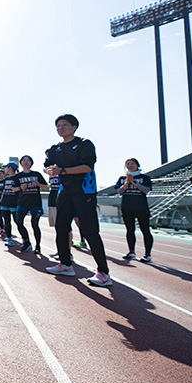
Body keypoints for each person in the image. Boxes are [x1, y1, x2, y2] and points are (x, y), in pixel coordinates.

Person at [44, 114, 112, 287]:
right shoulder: (55, 148)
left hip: (84, 191)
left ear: (74, 127)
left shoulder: (84, 144)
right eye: (58, 126)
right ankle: (66, 264)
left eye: (65, 125)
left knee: (89, 231)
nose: (61, 128)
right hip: (65, 192)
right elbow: (48, 165)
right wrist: (49, 170)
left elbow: (87, 166)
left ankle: (103, 273)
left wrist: (62, 171)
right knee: (61, 227)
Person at [114, 158, 153, 263]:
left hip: (141, 208)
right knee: (130, 230)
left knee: (145, 230)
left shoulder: (145, 177)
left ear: (137, 165)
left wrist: (134, 182)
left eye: (133, 163)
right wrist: (127, 183)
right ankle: (131, 252)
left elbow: (146, 190)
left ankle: (147, 254)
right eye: (128, 164)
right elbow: (120, 191)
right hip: (127, 208)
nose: (130, 165)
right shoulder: (122, 178)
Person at [12, 155, 48, 253]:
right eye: (24, 160)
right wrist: (20, 188)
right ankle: (27, 241)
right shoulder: (18, 176)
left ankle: (38, 246)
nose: (26, 162)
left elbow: (46, 187)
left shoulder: (36, 174)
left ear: (31, 163)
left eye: (28, 160)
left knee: (35, 224)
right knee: (18, 222)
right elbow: (13, 189)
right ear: (21, 163)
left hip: (35, 203)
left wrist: (38, 184)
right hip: (22, 202)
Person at [0, 162, 19, 246]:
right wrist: (0, 201)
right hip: (5, 203)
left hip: (14, 203)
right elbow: (3, 191)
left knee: (17, 221)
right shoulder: (6, 179)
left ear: (10, 168)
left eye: (6, 167)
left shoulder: (17, 178)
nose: (5, 169)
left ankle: (26, 240)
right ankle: (9, 239)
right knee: (6, 222)